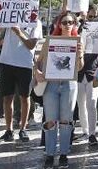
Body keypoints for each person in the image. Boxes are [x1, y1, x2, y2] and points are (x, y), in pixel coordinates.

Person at [33, 11, 83, 168]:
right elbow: (38, 62)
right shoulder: (50, 41)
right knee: (50, 119)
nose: (67, 25)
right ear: (58, 25)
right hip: (51, 84)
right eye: (64, 22)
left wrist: (80, 54)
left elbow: (80, 68)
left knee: (66, 120)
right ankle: (49, 153)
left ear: (75, 25)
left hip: (69, 84)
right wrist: (37, 72)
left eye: (70, 22)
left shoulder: (78, 41)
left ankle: (64, 153)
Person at [0, 2, 42, 143]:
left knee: (24, 97)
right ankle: (8, 130)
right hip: (6, 62)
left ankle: (23, 129)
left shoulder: (35, 21)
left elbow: (31, 45)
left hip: (24, 64)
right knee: (7, 98)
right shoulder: (9, 18)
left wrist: (19, 32)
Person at [77, 8, 98, 148]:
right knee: (81, 104)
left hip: (94, 73)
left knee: (92, 104)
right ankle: (85, 131)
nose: (92, 19)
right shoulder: (77, 30)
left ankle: (92, 134)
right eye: (90, 16)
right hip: (78, 74)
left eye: (95, 16)